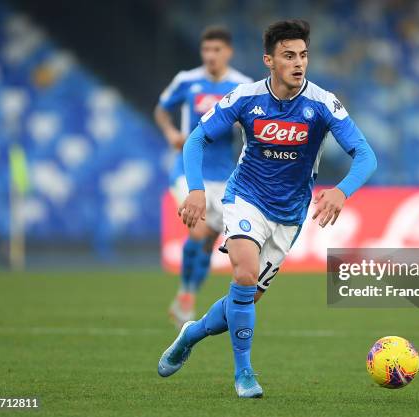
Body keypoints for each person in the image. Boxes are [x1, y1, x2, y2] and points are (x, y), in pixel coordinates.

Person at [158, 19, 377, 398]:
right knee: (244, 275)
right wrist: (195, 190)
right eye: (288, 55)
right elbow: (196, 140)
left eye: (303, 55)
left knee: (244, 300)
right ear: (269, 61)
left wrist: (341, 191)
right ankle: (244, 375)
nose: (298, 63)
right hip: (245, 197)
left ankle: (191, 333)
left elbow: (365, 155)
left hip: (289, 215)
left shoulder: (323, 104)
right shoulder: (245, 97)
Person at [154, 26, 252, 328]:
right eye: (206, 50)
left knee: (209, 242)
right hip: (189, 170)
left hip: (224, 176)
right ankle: (184, 292)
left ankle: (189, 293)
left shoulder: (243, 86)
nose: (210, 56)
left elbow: (252, 122)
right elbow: (161, 109)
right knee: (196, 232)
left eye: (217, 50)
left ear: (229, 52)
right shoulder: (187, 80)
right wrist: (171, 133)